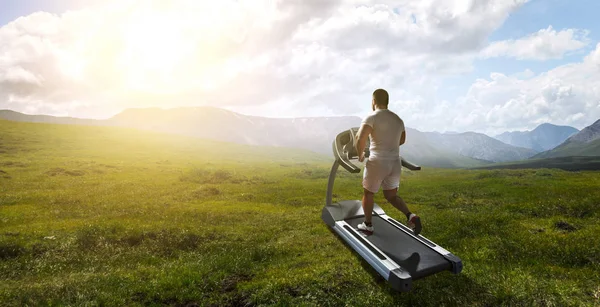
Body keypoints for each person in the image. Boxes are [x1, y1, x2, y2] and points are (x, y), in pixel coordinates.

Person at [354, 88, 422, 235]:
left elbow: (360, 138)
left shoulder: (371, 117)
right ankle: (411, 216)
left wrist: (360, 155)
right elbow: (401, 140)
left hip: (377, 161)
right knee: (391, 196)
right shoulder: (398, 119)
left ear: (373, 101)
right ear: (387, 102)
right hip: (395, 163)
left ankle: (367, 225)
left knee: (368, 193)